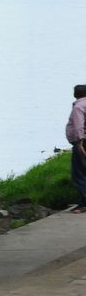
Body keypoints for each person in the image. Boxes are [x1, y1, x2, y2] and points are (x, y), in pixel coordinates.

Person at [66, 84, 86, 213]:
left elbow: (79, 126)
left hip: (82, 142)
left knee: (79, 173)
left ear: (75, 94)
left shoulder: (78, 107)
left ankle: (84, 203)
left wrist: (80, 143)